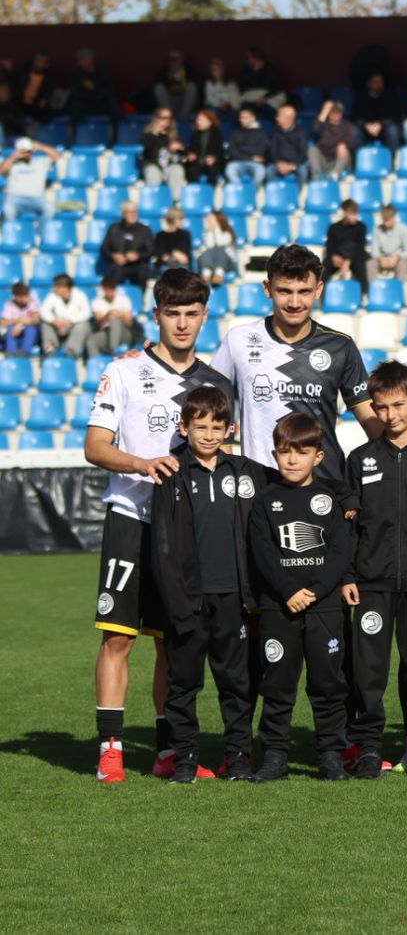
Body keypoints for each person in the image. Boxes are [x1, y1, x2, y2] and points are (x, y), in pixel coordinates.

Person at [84, 269, 230, 783]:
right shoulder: (123, 372)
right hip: (132, 519)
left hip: (185, 529)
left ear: (204, 316)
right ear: (157, 315)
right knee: (119, 638)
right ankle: (110, 748)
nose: (183, 323)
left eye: (193, 313)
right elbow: (95, 446)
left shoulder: (215, 384)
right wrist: (141, 464)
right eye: (174, 313)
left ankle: (171, 751)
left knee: (174, 641)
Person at [338, 362, 407, 778]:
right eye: (382, 407)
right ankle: (368, 746)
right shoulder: (360, 458)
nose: (391, 415)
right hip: (372, 584)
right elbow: (348, 525)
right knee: (368, 671)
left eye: (399, 405)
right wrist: (349, 576)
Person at [147, 386, 261, 783]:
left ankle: (239, 757)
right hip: (189, 601)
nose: (210, 435)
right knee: (183, 685)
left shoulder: (246, 472)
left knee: (238, 683)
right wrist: (176, 602)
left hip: (235, 598)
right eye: (201, 427)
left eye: (218, 426)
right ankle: (185, 759)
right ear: (184, 427)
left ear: (230, 428)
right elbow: (162, 545)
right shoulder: (171, 473)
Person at [210, 243, 380, 483]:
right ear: (267, 289)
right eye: (284, 291)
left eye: (304, 291)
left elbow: (371, 421)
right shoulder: (238, 340)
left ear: (319, 290)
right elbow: (212, 410)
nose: (294, 302)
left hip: (324, 486)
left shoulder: (340, 347)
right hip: (259, 487)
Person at [246, 413, 356, 782]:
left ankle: (330, 756)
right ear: (274, 454)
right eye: (284, 452)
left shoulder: (330, 498)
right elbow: (261, 550)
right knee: (277, 682)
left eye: (301, 452)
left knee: (328, 683)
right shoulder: (265, 501)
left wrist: (315, 591)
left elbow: (341, 551)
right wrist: (288, 590)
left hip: (324, 607)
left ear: (319, 457)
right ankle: (275, 756)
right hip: (280, 607)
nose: (292, 460)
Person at [1, 137, 60, 225]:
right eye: (23, 151)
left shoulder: (40, 162)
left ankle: (41, 233)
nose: (27, 154)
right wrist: (14, 156)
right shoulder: (12, 164)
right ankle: (12, 235)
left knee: (50, 209)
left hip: (37, 199)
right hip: (15, 198)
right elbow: (2, 171)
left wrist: (40, 147)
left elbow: (57, 156)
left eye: (28, 151)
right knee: (8, 210)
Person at [100, 202, 155, 291]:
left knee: (143, 271)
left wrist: (138, 256)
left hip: (138, 264)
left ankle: (141, 300)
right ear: (123, 213)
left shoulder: (145, 230)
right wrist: (114, 256)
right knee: (114, 272)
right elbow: (104, 249)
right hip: (119, 265)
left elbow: (151, 250)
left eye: (135, 211)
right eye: (129, 212)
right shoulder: (114, 228)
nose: (133, 215)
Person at [39, 274, 91, 359]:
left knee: (83, 325)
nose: (54, 288)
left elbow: (86, 313)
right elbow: (44, 311)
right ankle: (50, 349)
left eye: (56, 286)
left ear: (65, 287)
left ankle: (71, 351)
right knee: (45, 324)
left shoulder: (80, 295)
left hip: (73, 327)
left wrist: (70, 321)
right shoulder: (52, 296)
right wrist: (54, 321)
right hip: (57, 328)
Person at [324, 200, 370, 292]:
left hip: (355, 257)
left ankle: (364, 295)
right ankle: (319, 297)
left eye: (356, 214)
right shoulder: (334, 227)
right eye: (352, 214)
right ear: (344, 213)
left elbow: (360, 247)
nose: (355, 217)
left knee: (361, 266)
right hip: (338, 257)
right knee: (323, 268)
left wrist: (347, 262)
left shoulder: (361, 226)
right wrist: (334, 256)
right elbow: (330, 246)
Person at [89, 276, 139, 356]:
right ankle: (96, 363)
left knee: (115, 321)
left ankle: (113, 352)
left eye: (113, 289)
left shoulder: (124, 299)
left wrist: (120, 315)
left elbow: (130, 324)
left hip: (124, 333)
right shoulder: (97, 302)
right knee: (91, 341)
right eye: (108, 289)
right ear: (103, 289)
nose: (111, 292)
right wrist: (107, 315)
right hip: (106, 332)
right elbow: (98, 320)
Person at [350, 71, 400, 151]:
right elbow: (355, 117)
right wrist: (366, 125)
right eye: (375, 82)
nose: (378, 84)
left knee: (393, 130)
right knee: (355, 131)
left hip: (384, 128)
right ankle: (357, 159)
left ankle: (394, 158)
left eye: (380, 82)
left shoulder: (389, 96)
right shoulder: (361, 97)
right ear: (369, 84)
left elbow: (395, 117)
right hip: (365, 129)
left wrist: (381, 124)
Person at [310, 100, 359, 178]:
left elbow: (352, 142)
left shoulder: (347, 126)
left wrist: (343, 144)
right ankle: (317, 175)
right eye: (332, 112)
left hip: (339, 161)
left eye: (337, 113)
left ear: (341, 114)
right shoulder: (323, 124)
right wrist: (325, 111)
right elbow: (316, 129)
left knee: (345, 151)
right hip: (324, 159)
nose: (335, 115)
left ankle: (334, 174)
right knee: (312, 149)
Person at [225, 105, 270, 187]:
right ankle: (240, 190)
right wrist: (251, 157)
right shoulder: (235, 133)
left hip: (254, 163)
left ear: (253, 118)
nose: (242, 120)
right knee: (230, 169)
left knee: (261, 171)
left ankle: (252, 192)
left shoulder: (261, 133)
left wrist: (242, 149)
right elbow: (232, 151)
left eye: (246, 117)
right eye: (241, 117)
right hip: (238, 162)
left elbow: (260, 151)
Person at [268, 104, 309, 185]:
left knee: (303, 172)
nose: (276, 118)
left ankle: (296, 195)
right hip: (278, 163)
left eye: (279, 116)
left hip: (295, 164)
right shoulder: (275, 131)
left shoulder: (301, 132)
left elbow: (303, 153)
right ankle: (273, 194)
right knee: (269, 171)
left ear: (288, 118)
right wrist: (279, 163)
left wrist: (291, 165)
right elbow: (272, 150)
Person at [370, 205, 407, 283]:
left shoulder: (404, 229)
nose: (386, 222)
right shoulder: (377, 230)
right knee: (370, 264)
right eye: (384, 220)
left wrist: (397, 257)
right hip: (382, 259)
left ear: (394, 217)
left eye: (388, 219)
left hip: (398, 259)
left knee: (403, 264)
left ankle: (399, 290)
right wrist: (380, 258)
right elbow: (374, 252)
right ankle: (373, 290)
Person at [185, 109, 225, 185]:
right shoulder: (195, 134)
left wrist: (214, 158)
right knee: (192, 170)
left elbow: (220, 152)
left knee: (213, 171)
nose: (198, 122)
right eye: (198, 119)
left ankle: (210, 193)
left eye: (202, 120)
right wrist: (191, 155)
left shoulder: (216, 134)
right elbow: (190, 149)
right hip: (197, 163)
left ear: (210, 122)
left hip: (212, 164)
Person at [2, 281, 39, 355]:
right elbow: (4, 322)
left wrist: (19, 324)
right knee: (10, 328)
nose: (27, 298)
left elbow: (36, 320)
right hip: (15, 335)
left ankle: (25, 352)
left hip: (31, 336)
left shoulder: (33, 302)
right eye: (24, 296)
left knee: (31, 328)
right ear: (16, 297)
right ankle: (11, 352)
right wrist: (19, 322)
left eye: (27, 295)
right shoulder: (9, 305)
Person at [151, 208, 193, 273]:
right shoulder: (160, 235)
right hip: (165, 266)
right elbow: (161, 255)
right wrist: (174, 253)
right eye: (180, 219)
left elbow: (185, 258)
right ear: (172, 220)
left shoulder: (185, 234)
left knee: (182, 271)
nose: (182, 221)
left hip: (181, 265)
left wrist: (171, 253)